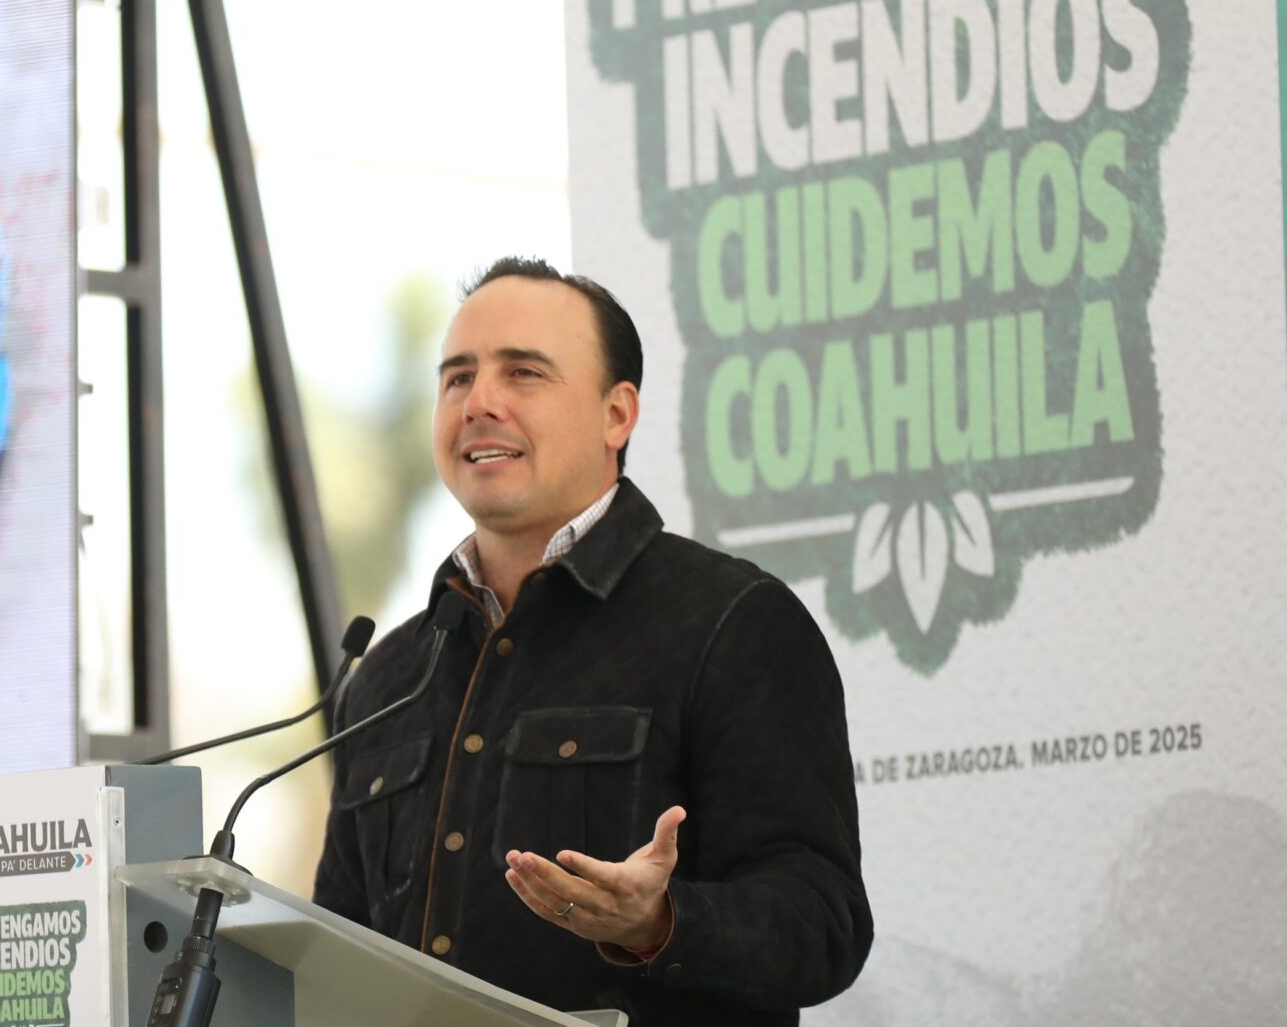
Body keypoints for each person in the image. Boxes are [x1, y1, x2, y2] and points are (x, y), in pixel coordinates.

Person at [312, 257, 872, 1026]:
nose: (479, 402)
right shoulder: (387, 678)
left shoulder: (732, 621)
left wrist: (659, 924)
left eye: (523, 373)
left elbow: (825, 924)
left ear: (617, 415)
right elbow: (333, 953)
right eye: (457, 377)